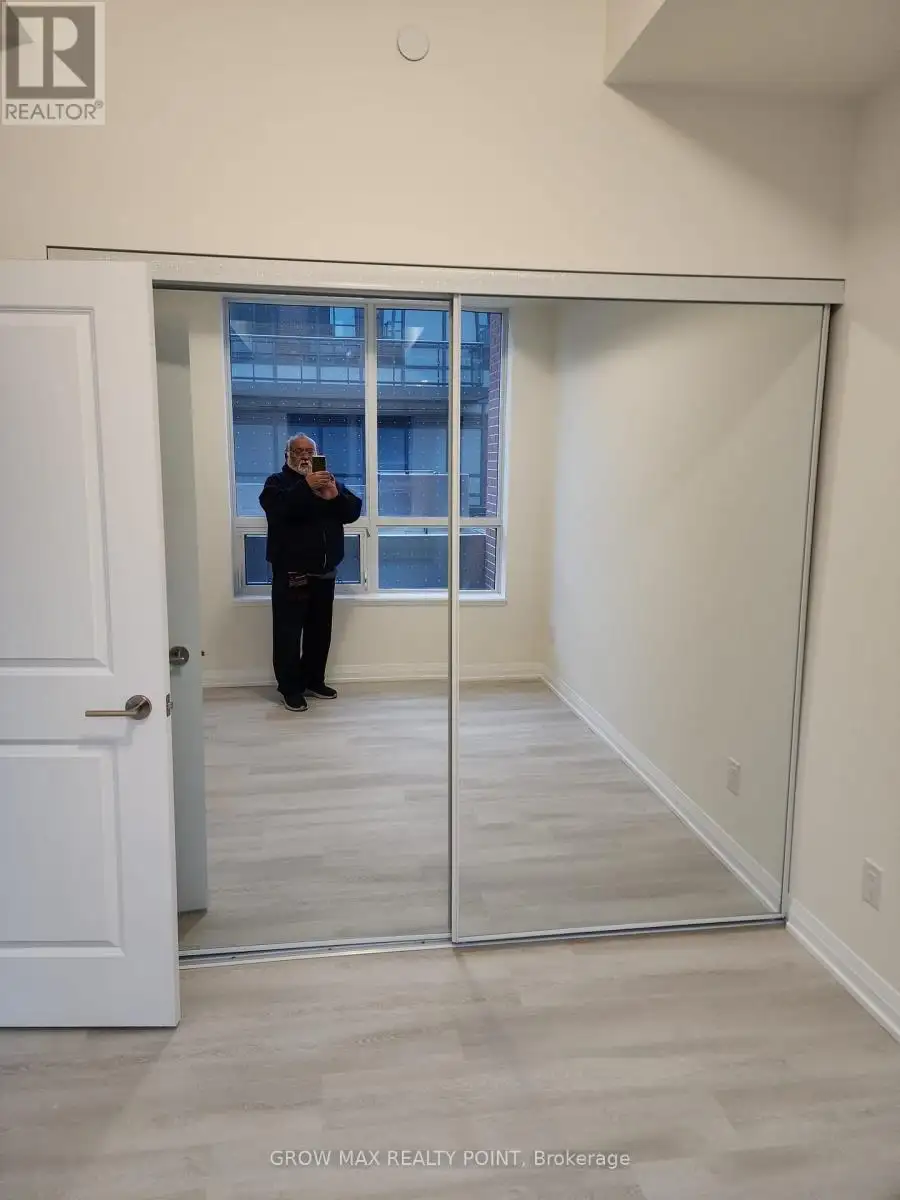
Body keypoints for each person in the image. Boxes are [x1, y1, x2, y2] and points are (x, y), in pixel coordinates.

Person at [259, 435, 362, 712]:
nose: (304, 456)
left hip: (324, 574)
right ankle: (290, 689)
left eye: (309, 451)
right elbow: (279, 510)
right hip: (291, 574)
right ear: (288, 455)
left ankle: (314, 681)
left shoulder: (329, 482)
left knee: (320, 633)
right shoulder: (276, 483)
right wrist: (306, 486)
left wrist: (335, 496)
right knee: (288, 634)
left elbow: (352, 512)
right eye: (298, 451)